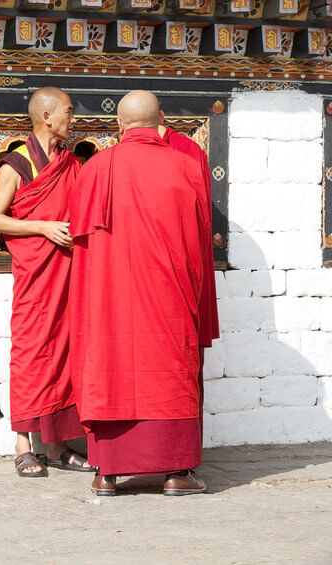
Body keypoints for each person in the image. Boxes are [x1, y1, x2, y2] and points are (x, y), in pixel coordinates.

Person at [68, 90, 211, 496]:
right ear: (161, 121)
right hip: (169, 296)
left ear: (119, 125)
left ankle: (107, 472)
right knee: (168, 370)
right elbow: (200, 245)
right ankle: (174, 473)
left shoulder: (95, 168)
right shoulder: (187, 166)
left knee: (110, 365)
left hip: (109, 299)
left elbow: (81, 246)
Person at [0, 87, 91, 478]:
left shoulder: (70, 163)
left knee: (65, 352)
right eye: (68, 110)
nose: (73, 117)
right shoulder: (14, 165)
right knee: (31, 353)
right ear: (47, 116)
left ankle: (59, 443)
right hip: (35, 276)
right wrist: (42, 227)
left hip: (66, 274)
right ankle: (22, 444)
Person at [160, 120, 221, 442]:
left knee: (182, 363)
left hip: (177, 271)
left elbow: (196, 219)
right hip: (160, 270)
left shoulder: (185, 152)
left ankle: (183, 450)